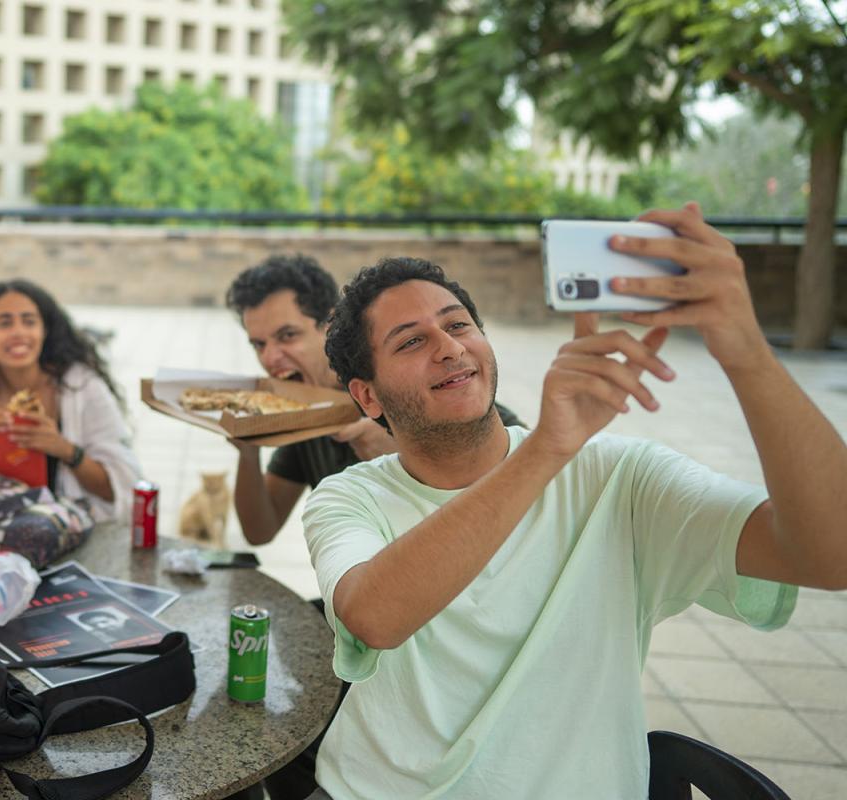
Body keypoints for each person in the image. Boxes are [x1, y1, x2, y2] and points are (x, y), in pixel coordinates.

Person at [302, 204, 847, 798]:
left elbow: (830, 555)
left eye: (458, 326)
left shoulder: (621, 478)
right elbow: (375, 616)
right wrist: (549, 449)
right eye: (411, 341)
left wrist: (745, 350)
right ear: (368, 396)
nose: (448, 347)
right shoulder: (350, 497)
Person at [224, 255, 522, 546]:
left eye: (287, 336)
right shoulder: (305, 413)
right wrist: (247, 451)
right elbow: (260, 532)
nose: (269, 358)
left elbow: (518, 542)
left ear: (329, 325)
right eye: (259, 344)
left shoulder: (481, 420)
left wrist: (409, 461)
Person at [0, 279, 142, 521]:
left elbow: (122, 490)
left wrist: (65, 449)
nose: (19, 332)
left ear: (44, 332)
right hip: (0, 532)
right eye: (5, 323)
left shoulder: (83, 387)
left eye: (29, 321)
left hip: (75, 531)